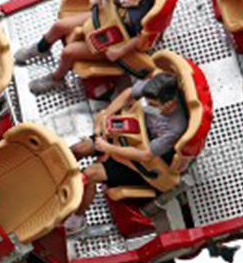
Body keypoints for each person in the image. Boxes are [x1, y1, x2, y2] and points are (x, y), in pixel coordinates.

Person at [64, 72, 188, 234]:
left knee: (90, 174)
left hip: (139, 163)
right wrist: (106, 116)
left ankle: (77, 220)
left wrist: (108, 149)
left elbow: (145, 155)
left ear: (170, 105)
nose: (148, 106)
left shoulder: (175, 128)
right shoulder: (157, 86)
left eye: (153, 105)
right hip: (126, 132)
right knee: (78, 149)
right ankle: (60, 176)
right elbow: (128, 94)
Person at [14, 0, 155, 94]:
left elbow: (141, 39)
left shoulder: (141, 17)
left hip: (115, 40)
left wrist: (120, 51)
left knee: (68, 52)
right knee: (60, 26)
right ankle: (41, 48)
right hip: (102, 17)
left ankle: (57, 79)